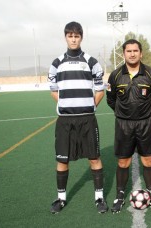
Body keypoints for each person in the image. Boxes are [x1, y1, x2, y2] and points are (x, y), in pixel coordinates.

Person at [48, 21, 108, 214]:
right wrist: (65, 105)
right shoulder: (56, 63)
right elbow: (53, 91)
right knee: (62, 160)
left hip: (87, 119)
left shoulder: (91, 62)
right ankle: (61, 198)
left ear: (81, 37)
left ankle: (99, 198)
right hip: (65, 121)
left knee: (94, 158)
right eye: (70, 36)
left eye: (77, 36)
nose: (73, 39)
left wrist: (90, 106)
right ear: (65, 37)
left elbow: (100, 90)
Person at [106, 39, 151, 213]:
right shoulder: (115, 75)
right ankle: (120, 196)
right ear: (123, 53)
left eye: (135, 51)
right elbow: (111, 99)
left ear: (141, 53)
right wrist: (123, 113)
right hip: (123, 125)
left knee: (149, 160)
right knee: (123, 161)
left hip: (146, 124)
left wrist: (146, 113)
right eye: (128, 51)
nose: (132, 54)